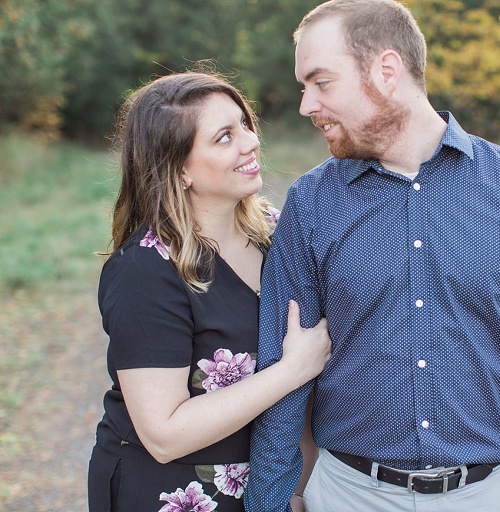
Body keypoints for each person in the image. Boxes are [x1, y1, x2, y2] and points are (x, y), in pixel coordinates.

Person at [245, 1, 500, 511]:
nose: (306, 105)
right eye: (303, 86)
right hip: (348, 494)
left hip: (490, 495)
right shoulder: (312, 203)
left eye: (321, 82)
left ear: (386, 71)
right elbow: (283, 367)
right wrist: (267, 503)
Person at [87, 70, 332, 512]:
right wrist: (292, 370)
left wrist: (298, 488)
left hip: (265, 483)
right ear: (179, 168)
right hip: (170, 491)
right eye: (224, 137)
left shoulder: (277, 234)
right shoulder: (144, 269)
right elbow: (164, 435)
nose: (250, 141)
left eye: (244, 124)